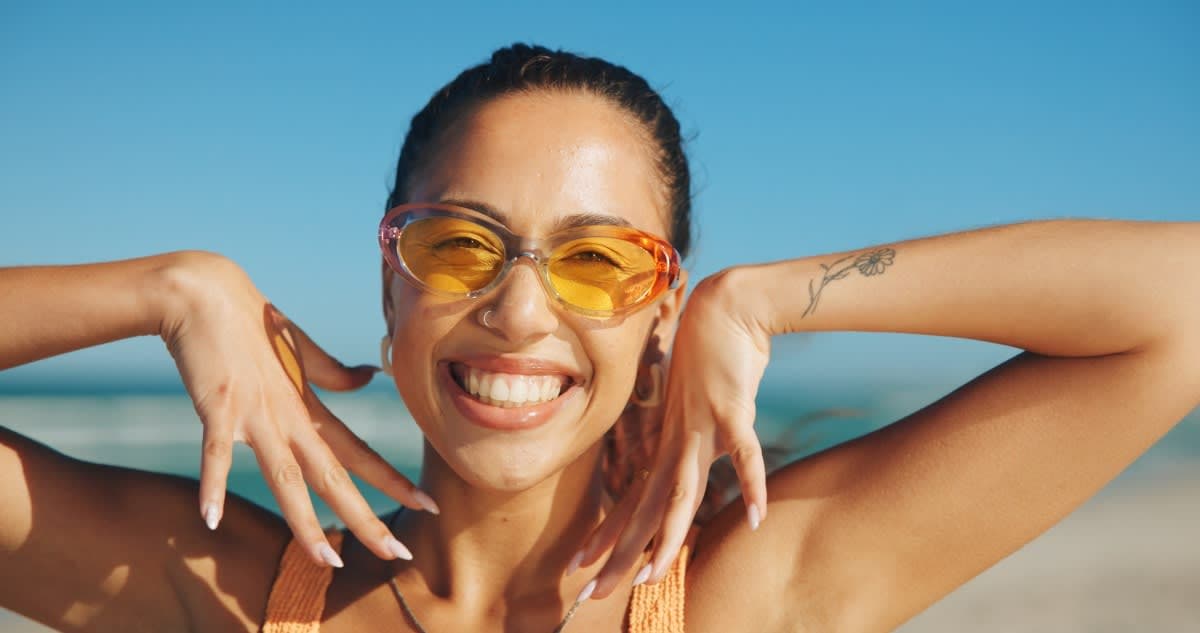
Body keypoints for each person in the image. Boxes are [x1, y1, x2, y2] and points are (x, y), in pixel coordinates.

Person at [1, 43, 1197, 633]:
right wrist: (171, 290)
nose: (521, 311)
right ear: (390, 280)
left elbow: (1178, 302)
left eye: (599, 261)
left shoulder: (745, 597)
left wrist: (765, 297)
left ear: (662, 309)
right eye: (459, 245)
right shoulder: (234, 593)